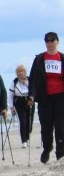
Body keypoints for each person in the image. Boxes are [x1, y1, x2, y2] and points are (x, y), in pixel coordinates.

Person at [28, 32, 64, 163]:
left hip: (60, 96)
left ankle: (61, 152)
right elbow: (32, 79)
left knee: (61, 125)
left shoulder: (62, 58)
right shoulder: (39, 59)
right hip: (45, 97)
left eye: (52, 40)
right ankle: (47, 147)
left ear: (57, 41)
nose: (49, 43)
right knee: (46, 126)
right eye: (47, 41)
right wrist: (31, 95)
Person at [9, 64, 33, 148]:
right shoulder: (14, 82)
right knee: (23, 121)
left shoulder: (30, 80)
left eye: (22, 71)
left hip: (29, 101)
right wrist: (11, 107)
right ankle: (24, 140)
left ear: (25, 72)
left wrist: (32, 98)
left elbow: (34, 90)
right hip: (19, 102)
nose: (20, 73)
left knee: (29, 121)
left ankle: (27, 137)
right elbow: (11, 95)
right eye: (18, 71)